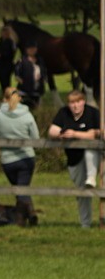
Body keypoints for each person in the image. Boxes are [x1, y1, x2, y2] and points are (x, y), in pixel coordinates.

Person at [0, 87, 39, 221]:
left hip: (8, 160)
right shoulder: (27, 115)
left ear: (4, 98)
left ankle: (28, 214)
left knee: (20, 188)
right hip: (26, 157)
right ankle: (25, 217)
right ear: (19, 98)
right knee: (22, 189)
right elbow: (35, 138)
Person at [48, 89, 102, 229]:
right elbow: (52, 130)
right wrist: (61, 134)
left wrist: (76, 134)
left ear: (83, 102)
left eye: (78, 102)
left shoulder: (93, 113)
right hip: (73, 159)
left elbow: (98, 132)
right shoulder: (63, 112)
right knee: (81, 192)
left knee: (89, 149)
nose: (75, 106)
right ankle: (85, 224)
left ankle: (91, 178)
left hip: (94, 158)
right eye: (72, 103)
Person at [15, 43, 45, 109]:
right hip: (24, 89)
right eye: (30, 49)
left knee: (36, 107)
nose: (32, 50)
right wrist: (22, 82)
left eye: (34, 49)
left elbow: (44, 71)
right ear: (26, 50)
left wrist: (43, 79)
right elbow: (17, 73)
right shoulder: (22, 60)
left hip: (37, 88)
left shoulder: (40, 60)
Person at [0, 25, 18, 96]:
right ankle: (4, 94)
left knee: (6, 82)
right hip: (0, 65)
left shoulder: (10, 42)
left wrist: (0, 55)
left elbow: (10, 54)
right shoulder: (1, 41)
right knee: (2, 82)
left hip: (6, 65)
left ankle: (8, 95)